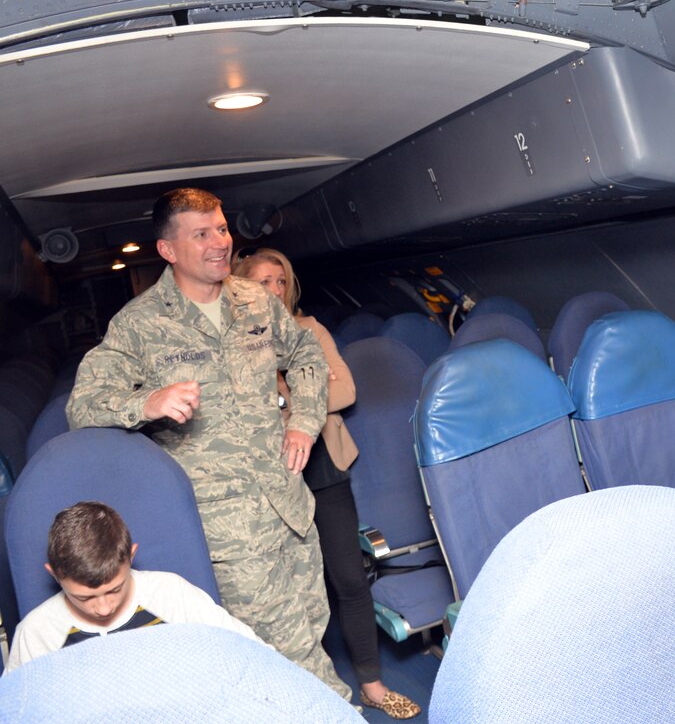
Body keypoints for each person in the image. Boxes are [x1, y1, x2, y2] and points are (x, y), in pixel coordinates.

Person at [65, 187, 353, 703]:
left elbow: (307, 354)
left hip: (289, 503)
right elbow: (82, 406)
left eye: (221, 228)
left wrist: (304, 422)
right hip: (228, 530)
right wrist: (146, 403)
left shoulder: (255, 300)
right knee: (293, 659)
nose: (220, 242)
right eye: (202, 234)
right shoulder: (139, 325)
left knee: (311, 628)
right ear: (169, 250)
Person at [234, 247, 420, 719]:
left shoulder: (309, 330)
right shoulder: (233, 340)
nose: (273, 290)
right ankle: (300, 693)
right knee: (288, 591)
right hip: (268, 479)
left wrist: (283, 400)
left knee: (348, 578)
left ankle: (373, 685)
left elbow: (346, 390)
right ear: (241, 288)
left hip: (321, 466)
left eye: (280, 281)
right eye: (262, 282)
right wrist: (307, 395)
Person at [5, 501, 263, 672]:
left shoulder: (171, 595)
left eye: (114, 589)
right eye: (84, 598)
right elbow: (19, 709)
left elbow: (252, 652)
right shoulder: (38, 632)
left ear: (132, 555)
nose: (103, 608)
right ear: (54, 574)